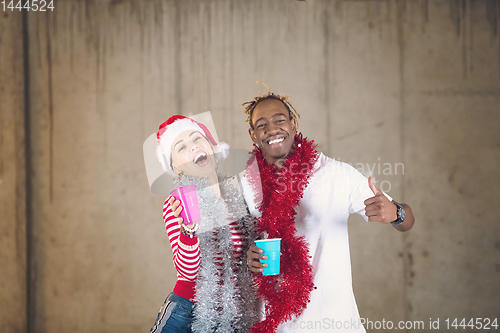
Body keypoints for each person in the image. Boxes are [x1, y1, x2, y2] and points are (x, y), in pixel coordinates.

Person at [241, 91, 415, 333]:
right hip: (273, 324)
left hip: (333, 323)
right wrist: (248, 258)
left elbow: (407, 220)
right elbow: (234, 249)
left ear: (293, 123)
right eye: (262, 124)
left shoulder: (335, 174)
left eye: (280, 120)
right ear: (253, 134)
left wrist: (396, 214)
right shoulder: (246, 183)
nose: (272, 128)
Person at [150, 115, 258, 333]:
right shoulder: (178, 202)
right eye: (181, 147)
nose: (193, 147)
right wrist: (188, 230)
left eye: (197, 139)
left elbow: (240, 261)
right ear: (177, 168)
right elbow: (188, 273)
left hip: (231, 315)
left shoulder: (235, 197)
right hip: (188, 312)